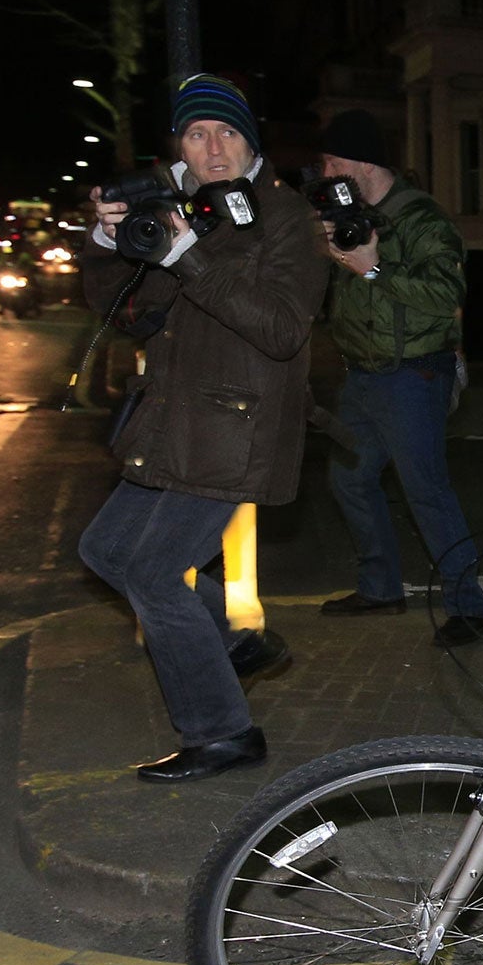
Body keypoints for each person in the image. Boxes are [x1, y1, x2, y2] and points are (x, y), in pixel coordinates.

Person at [78, 73, 328, 781]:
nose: (213, 148)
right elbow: (116, 305)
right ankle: (234, 644)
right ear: (179, 146)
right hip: (167, 420)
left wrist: (191, 256)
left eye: (226, 132)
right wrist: (108, 235)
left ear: (249, 140)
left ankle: (221, 733)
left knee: (154, 574)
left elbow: (280, 329)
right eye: (196, 133)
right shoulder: (178, 208)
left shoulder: (286, 219)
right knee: (107, 550)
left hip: (233, 430)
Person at [314, 110, 483, 646]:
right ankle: (381, 589)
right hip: (363, 377)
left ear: (363, 164)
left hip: (412, 376)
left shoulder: (422, 220)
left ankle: (469, 610)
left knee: (427, 491)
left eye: (335, 163)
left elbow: (445, 297)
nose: (327, 173)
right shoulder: (351, 212)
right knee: (349, 478)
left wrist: (373, 267)